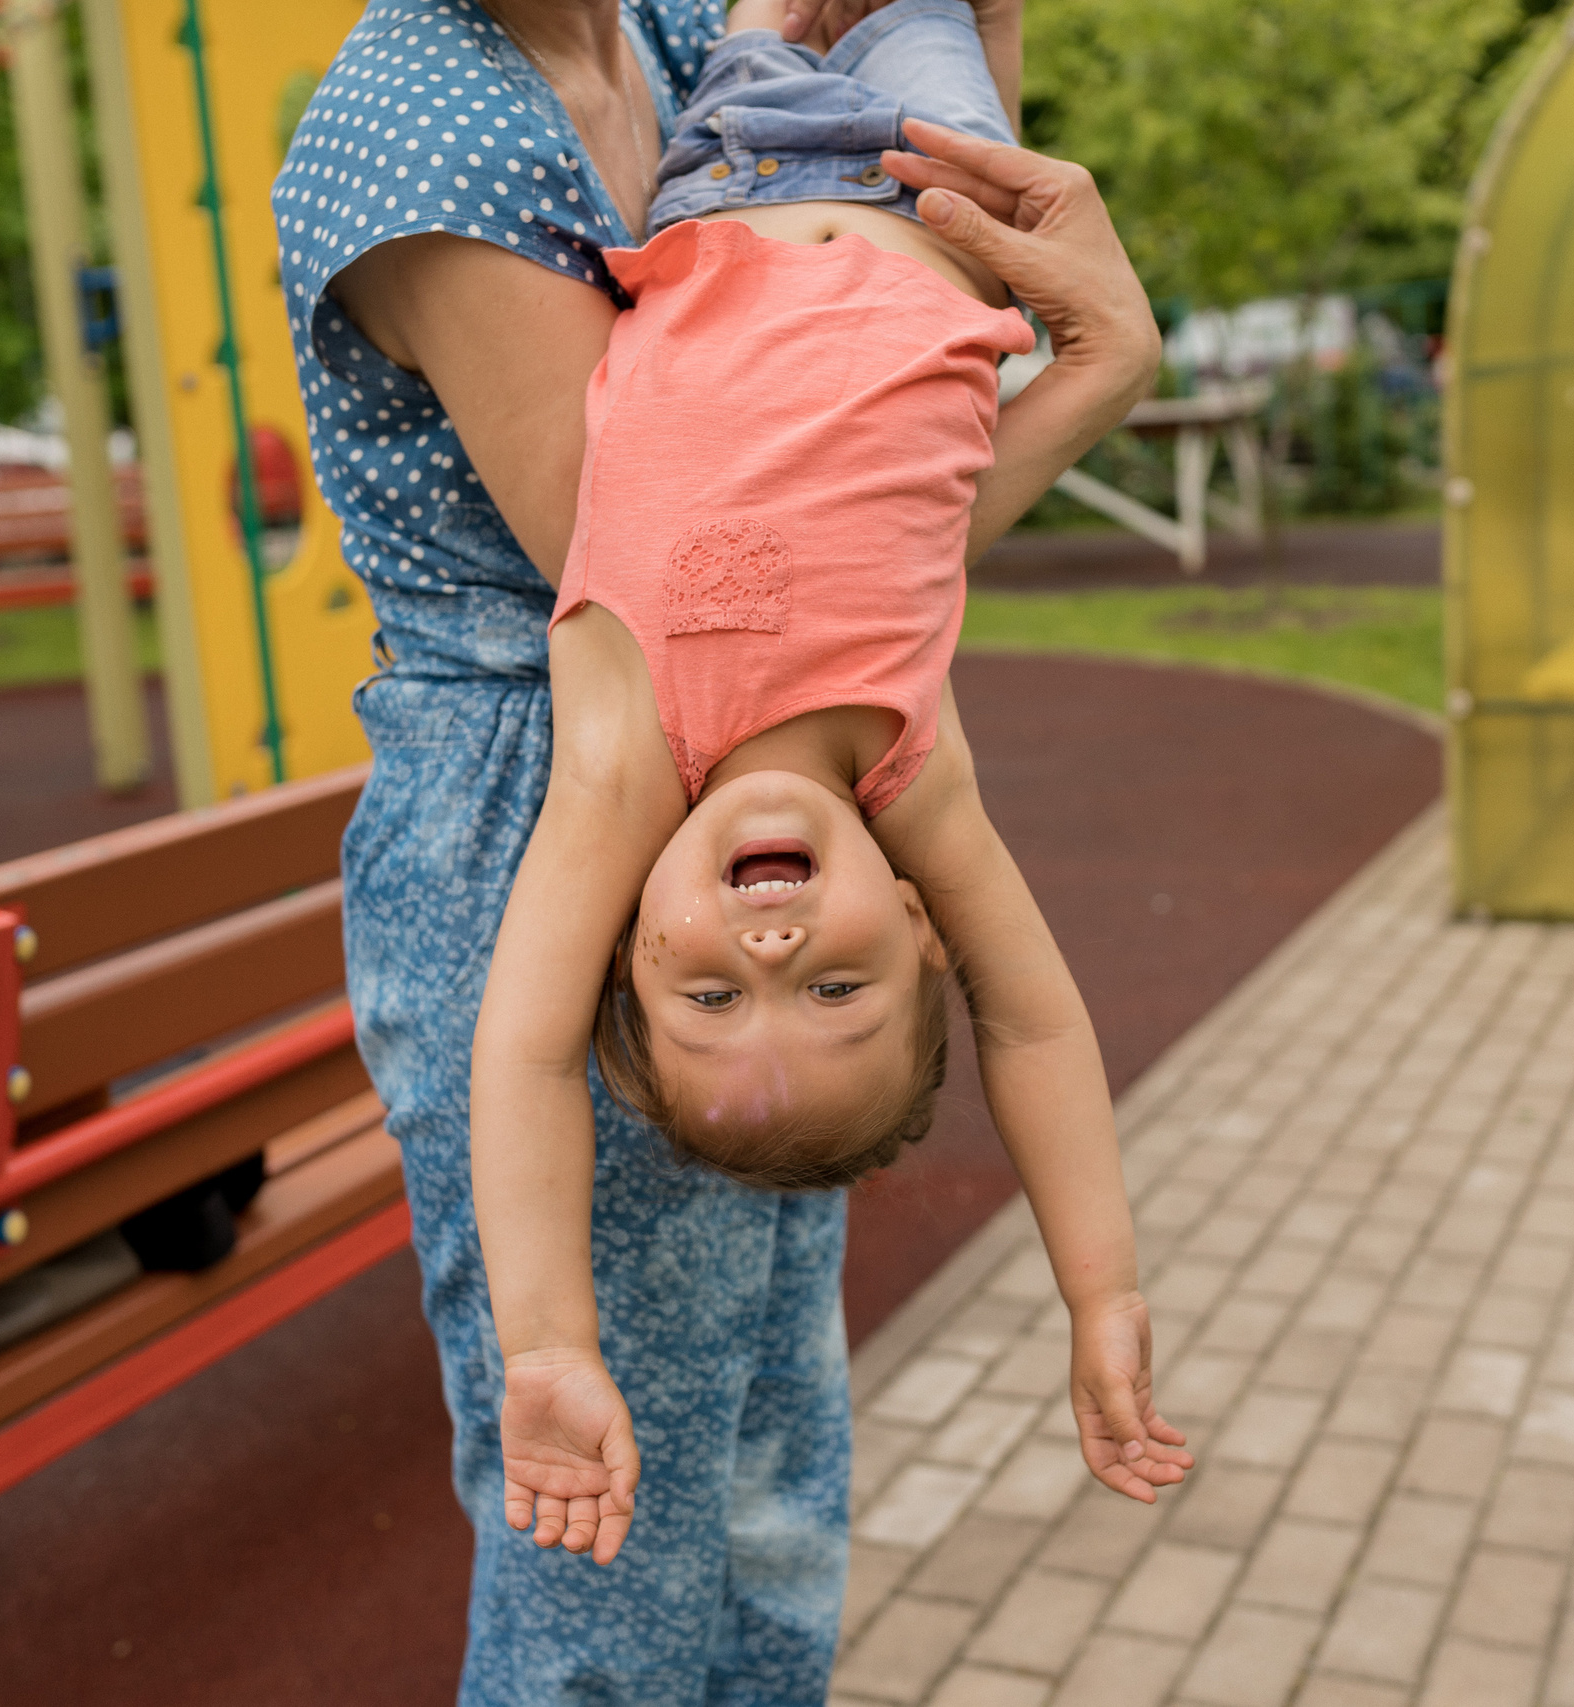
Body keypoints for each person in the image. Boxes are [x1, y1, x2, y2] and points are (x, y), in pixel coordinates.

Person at [275, 0, 1158, 1695]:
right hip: (504, 790)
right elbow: (742, 532)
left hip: (621, 798)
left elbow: (810, 489)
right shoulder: (430, 139)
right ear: (909, 922)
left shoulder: (669, 27)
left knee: (766, 1483)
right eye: (829, 985)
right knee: (617, 1579)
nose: (776, 955)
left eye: (760, 987)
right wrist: (1090, 376)